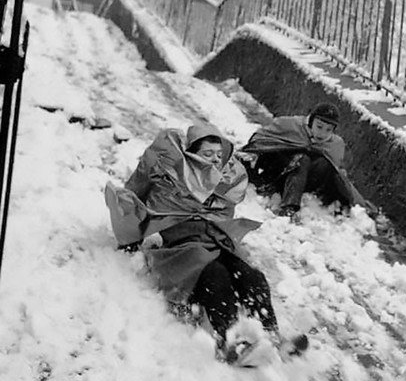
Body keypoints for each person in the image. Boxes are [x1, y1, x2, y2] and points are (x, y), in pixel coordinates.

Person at [104, 120, 306, 362]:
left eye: (219, 155)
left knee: (252, 277)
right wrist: (133, 230)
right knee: (215, 275)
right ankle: (228, 342)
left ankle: (273, 336)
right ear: (192, 154)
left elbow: (223, 216)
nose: (214, 159)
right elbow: (142, 199)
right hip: (179, 248)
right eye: (207, 154)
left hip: (214, 241)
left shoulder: (222, 186)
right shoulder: (171, 179)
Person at [241, 102, 371, 219]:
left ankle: (327, 205)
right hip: (278, 170)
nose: (322, 133)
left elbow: (338, 173)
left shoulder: (336, 144)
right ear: (311, 121)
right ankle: (289, 207)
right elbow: (260, 138)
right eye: (319, 127)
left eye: (328, 130)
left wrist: (359, 203)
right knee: (302, 159)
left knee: (323, 164)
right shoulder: (289, 125)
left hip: (304, 182)